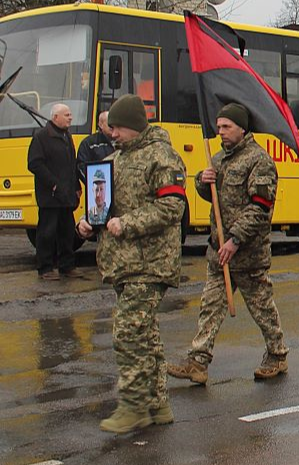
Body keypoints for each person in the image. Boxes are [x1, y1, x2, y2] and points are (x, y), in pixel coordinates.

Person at [76, 94, 187, 433]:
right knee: (146, 335)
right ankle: (157, 404)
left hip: (151, 263)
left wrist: (128, 223)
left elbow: (172, 209)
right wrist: (89, 221)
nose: (113, 134)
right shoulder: (115, 159)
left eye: (119, 128)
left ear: (135, 127)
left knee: (126, 331)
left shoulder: (162, 157)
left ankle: (133, 405)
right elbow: (105, 203)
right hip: (122, 263)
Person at [166, 104, 288, 386]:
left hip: (248, 254)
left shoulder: (259, 161)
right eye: (218, 126)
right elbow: (214, 196)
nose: (220, 132)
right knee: (210, 306)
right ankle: (198, 362)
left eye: (226, 127)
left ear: (241, 128)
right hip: (219, 252)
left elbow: (260, 208)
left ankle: (277, 355)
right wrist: (201, 181)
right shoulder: (219, 159)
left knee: (262, 309)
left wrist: (234, 239)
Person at [28, 103, 83, 280]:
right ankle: (45, 268)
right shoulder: (41, 137)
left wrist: (76, 186)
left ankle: (67, 266)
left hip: (66, 195)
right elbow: (34, 164)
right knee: (46, 233)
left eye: (70, 114)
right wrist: (52, 184)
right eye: (66, 115)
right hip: (50, 197)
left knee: (67, 232)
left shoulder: (67, 136)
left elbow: (72, 164)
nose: (70, 117)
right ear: (55, 117)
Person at [77, 110, 115, 182]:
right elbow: (81, 166)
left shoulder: (123, 141)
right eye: (109, 124)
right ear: (100, 125)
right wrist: (94, 182)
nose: (112, 126)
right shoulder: (88, 143)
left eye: (114, 123)